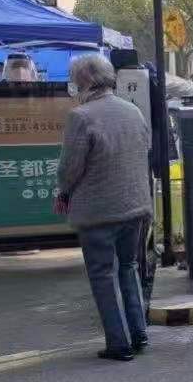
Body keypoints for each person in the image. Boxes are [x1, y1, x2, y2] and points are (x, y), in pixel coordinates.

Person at [55, 54, 154, 361]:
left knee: (102, 274)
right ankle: (139, 333)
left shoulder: (81, 117)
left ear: (83, 81)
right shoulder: (132, 111)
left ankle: (119, 343)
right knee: (128, 267)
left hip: (99, 211)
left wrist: (63, 192)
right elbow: (145, 148)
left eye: (75, 80)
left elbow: (70, 167)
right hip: (135, 206)